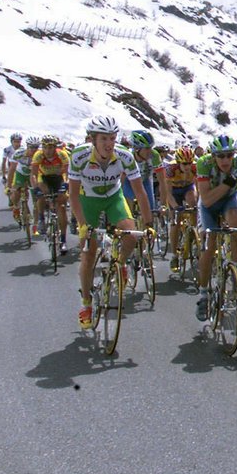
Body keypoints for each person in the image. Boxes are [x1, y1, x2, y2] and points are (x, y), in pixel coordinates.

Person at [68, 116, 153, 330]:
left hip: (114, 197)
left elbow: (140, 191)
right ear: (93, 139)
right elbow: (73, 195)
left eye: (112, 138)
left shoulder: (124, 156)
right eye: (104, 138)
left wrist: (149, 223)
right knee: (88, 254)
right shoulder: (79, 156)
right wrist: (82, 224)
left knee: (131, 234)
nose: (109, 144)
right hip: (87, 200)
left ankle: (121, 264)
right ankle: (86, 302)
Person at [193, 135, 237, 322]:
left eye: (229, 155)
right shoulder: (204, 163)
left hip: (229, 201)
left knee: (236, 222)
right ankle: (203, 294)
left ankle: (234, 267)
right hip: (208, 205)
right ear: (214, 156)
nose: (226, 160)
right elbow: (207, 199)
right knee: (208, 247)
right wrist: (232, 180)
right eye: (221, 156)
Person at [30, 134, 70, 244]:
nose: (47, 150)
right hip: (44, 177)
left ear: (55, 147)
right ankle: (41, 219)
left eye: (51, 147)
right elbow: (33, 175)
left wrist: (65, 184)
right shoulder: (38, 155)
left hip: (58, 178)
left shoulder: (62, 154)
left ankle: (63, 239)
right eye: (45, 147)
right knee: (41, 194)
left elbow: (68, 173)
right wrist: (35, 189)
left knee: (61, 205)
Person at [165, 146, 198, 271]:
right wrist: (175, 207)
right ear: (178, 163)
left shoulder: (195, 167)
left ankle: (194, 235)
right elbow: (168, 193)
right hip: (174, 191)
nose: (188, 166)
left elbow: (198, 188)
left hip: (188, 188)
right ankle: (174, 255)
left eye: (189, 163)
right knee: (175, 222)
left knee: (193, 203)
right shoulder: (170, 169)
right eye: (184, 164)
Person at [7, 136, 41, 225]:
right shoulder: (19, 153)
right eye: (31, 147)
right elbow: (11, 169)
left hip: (33, 175)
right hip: (20, 174)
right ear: (27, 146)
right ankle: (16, 208)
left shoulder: (41, 154)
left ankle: (37, 223)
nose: (34, 149)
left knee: (37, 199)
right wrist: (9, 185)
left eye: (36, 147)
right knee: (16, 192)